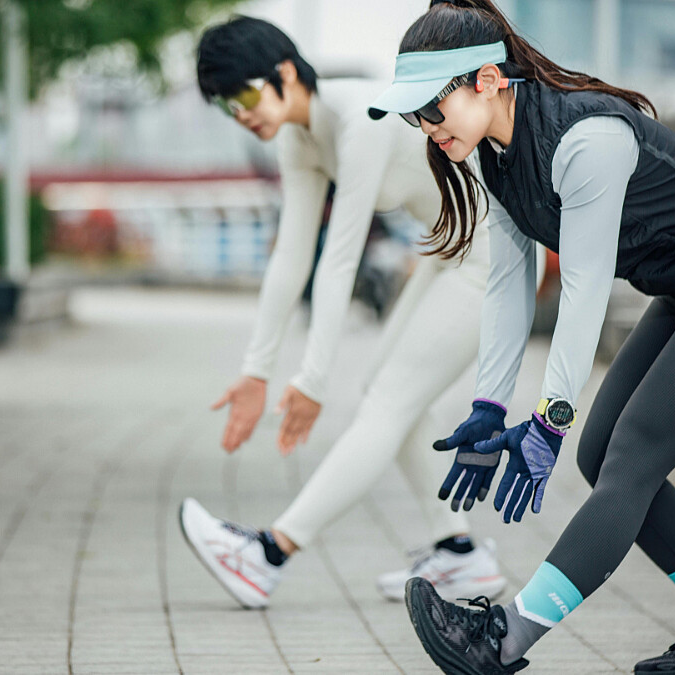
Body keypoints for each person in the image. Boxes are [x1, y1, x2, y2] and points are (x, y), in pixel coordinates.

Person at [368, 1, 675, 673]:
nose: (428, 130)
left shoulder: (585, 141)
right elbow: (509, 288)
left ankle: (506, 638)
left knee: (627, 456)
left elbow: (584, 290)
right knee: (602, 453)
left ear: (487, 80)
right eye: (414, 118)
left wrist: (549, 420)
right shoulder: (497, 158)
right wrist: (490, 408)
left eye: (433, 109)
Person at [179, 16, 520, 609]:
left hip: (496, 259)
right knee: (388, 396)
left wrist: (312, 380)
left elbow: (338, 258)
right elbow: (291, 255)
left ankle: (269, 554)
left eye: (243, 95)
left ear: (284, 73)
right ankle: (459, 555)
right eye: (224, 106)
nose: (240, 114)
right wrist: (256, 371)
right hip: (449, 255)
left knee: (389, 401)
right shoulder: (297, 138)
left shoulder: (359, 118)